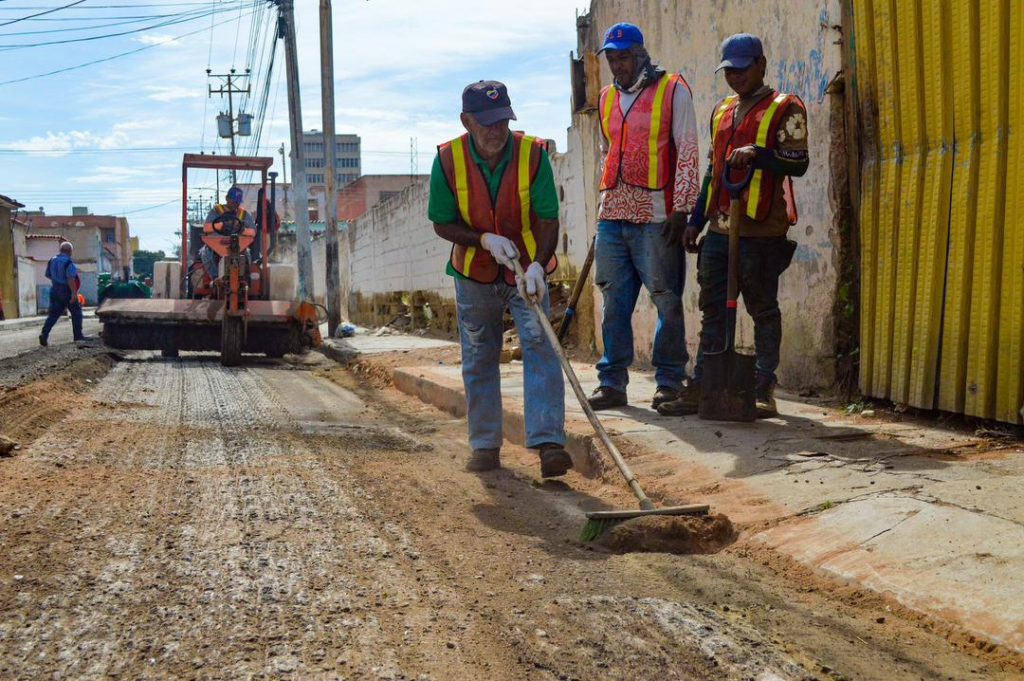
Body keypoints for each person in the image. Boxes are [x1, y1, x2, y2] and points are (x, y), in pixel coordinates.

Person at [658, 34, 809, 418]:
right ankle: (707, 384)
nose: (736, 77)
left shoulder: (785, 107)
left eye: (743, 69)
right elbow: (714, 169)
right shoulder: (723, 109)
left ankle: (762, 386)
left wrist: (759, 155)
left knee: (762, 308)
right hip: (721, 229)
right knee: (714, 309)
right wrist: (696, 219)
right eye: (730, 71)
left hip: (761, 229)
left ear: (761, 64)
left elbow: (798, 163)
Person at [429, 80, 572, 478]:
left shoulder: (532, 155)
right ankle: (485, 445)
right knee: (479, 357)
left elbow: (548, 216)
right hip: (473, 273)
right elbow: (441, 222)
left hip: (526, 271)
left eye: (502, 121)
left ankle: (548, 443)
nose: (496, 132)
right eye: (486, 123)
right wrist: (483, 240)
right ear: (467, 121)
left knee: (541, 346)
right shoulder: (447, 160)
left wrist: (538, 267)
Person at [587, 22, 702, 412]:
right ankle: (612, 383)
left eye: (624, 58)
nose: (617, 66)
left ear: (640, 56)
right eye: (612, 59)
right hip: (613, 215)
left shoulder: (672, 89)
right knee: (613, 300)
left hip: (657, 214)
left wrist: (683, 208)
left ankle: (669, 381)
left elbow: (687, 149)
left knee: (666, 299)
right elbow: (606, 153)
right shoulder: (605, 98)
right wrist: (601, 205)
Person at [39, 241, 89, 346]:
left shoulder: (52, 260)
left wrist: (57, 279)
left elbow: (48, 275)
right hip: (66, 290)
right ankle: (78, 336)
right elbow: (70, 278)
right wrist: (74, 294)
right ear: (70, 251)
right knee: (76, 313)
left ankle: (44, 334)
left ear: (61, 250)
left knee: (53, 315)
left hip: (54, 290)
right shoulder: (68, 262)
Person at [200, 185, 256, 278]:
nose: (235, 204)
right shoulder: (216, 211)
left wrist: (242, 230)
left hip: (237, 244)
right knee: (204, 252)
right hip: (216, 243)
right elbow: (206, 228)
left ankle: (244, 278)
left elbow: (253, 232)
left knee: (247, 254)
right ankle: (215, 277)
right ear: (227, 198)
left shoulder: (243, 214)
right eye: (233, 201)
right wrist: (221, 225)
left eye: (237, 202)